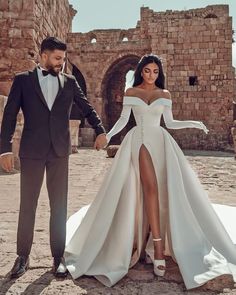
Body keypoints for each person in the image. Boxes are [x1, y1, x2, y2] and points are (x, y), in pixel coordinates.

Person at [65, 53, 236, 289]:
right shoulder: (131, 93)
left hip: (161, 142)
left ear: (159, 73)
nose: (151, 75)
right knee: (150, 188)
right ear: (140, 71)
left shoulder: (164, 95)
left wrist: (192, 123)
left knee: (163, 191)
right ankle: (156, 247)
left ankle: (152, 241)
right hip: (140, 141)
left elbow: (171, 122)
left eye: (155, 71)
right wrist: (106, 135)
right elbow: (125, 120)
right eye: (147, 71)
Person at [0, 37, 107, 279]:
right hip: (31, 152)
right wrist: (4, 148)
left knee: (59, 206)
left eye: (63, 58)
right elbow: (9, 116)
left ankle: (58, 258)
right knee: (28, 204)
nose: (61, 63)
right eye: (57, 58)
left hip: (60, 151)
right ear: (44, 55)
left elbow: (86, 106)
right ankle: (22, 257)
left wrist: (100, 130)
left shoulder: (69, 83)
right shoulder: (23, 81)